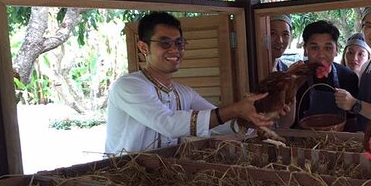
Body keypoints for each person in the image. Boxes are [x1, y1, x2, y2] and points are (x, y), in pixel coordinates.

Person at [105, 11, 273, 155]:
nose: (174, 49)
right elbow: (168, 124)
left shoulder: (184, 92)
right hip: (121, 178)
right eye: (165, 43)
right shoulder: (127, 86)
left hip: (164, 175)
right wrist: (235, 109)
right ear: (143, 47)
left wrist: (253, 118)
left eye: (179, 43)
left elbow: (218, 123)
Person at [292, 20, 359, 131]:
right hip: (302, 141)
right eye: (314, 48)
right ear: (305, 50)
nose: (321, 55)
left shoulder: (348, 77)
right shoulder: (295, 77)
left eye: (327, 48)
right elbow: (287, 124)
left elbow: (352, 120)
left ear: (336, 50)